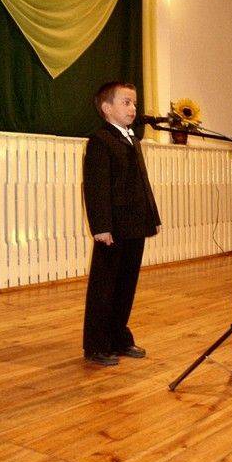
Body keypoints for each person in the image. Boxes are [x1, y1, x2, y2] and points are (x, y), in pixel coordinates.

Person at [82, 81, 161, 366]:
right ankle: (97, 344)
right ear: (106, 108)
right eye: (126, 103)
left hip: (134, 224)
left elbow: (141, 182)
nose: (133, 108)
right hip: (112, 228)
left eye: (134, 103)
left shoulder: (132, 139)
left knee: (127, 284)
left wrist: (152, 216)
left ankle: (119, 337)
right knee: (104, 286)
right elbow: (96, 187)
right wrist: (101, 226)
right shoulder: (100, 141)